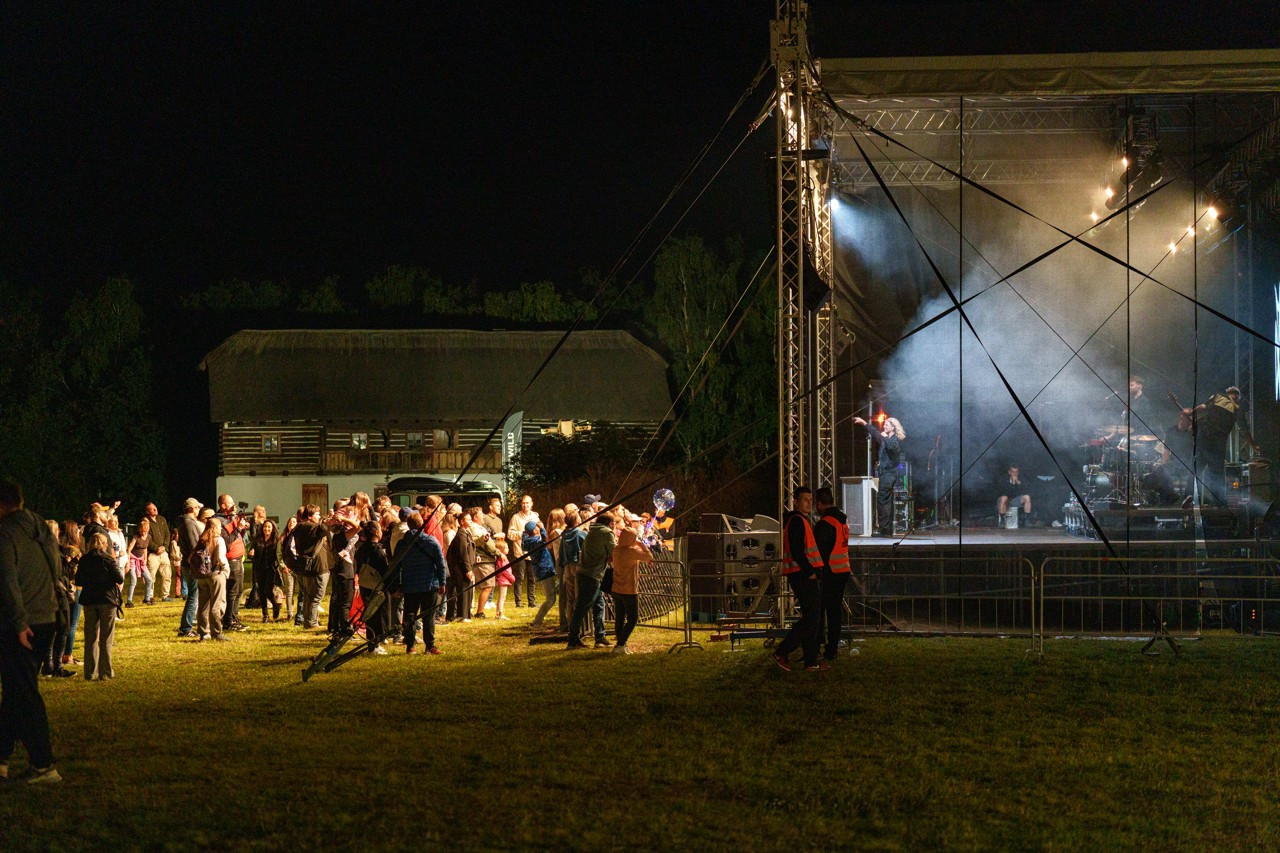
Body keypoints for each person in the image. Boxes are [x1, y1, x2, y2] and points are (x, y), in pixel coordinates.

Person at [0, 478, 64, 783]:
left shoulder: (5, 533)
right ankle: (1, 757)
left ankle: (43, 764)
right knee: (16, 691)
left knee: (24, 694)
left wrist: (19, 623)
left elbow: (7, 581)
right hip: (47, 617)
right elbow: (56, 568)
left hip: (22, 624)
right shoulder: (39, 526)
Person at [773, 487, 823, 673]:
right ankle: (782, 651)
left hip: (801, 574)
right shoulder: (797, 521)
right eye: (805, 499)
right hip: (802, 575)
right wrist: (810, 571)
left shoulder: (798, 520)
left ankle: (810, 661)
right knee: (811, 619)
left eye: (811, 499)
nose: (809, 503)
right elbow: (797, 550)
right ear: (795, 502)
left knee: (811, 618)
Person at [1186, 386, 1263, 506]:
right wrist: (1254, 445)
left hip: (1203, 438)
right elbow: (1244, 431)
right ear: (1237, 397)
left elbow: (1202, 407)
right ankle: (1219, 503)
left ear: (1227, 393)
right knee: (1216, 474)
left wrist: (1191, 413)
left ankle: (1189, 495)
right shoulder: (1237, 409)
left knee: (1195, 469)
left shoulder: (1217, 397)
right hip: (1218, 442)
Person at [395, 513, 446, 655]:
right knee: (428, 616)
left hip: (410, 584)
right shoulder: (431, 541)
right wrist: (442, 582)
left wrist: (398, 585)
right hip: (429, 584)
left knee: (409, 616)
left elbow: (396, 566)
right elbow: (440, 564)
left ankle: (410, 646)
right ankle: (430, 646)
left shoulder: (402, 544)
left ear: (408, 525)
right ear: (421, 524)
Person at [77, 532, 124, 679]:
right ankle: (105, 672)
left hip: (90, 600)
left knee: (90, 637)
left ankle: (90, 672)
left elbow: (78, 580)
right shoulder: (108, 559)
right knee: (106, 637)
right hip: (107, 600)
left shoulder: (84, 560)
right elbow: (120, 578)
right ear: (103, 544)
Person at [812, 486, 850, 663]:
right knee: (835, 613)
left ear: (819, 504)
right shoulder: (841, 520)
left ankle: (819, 646)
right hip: (842, 570)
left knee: (820, 610)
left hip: (829, 573)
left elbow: (818, 552)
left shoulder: (825, 523)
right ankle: (832, 648)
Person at [567, 510, 615, 650]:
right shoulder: (607, 533)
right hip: (592, 574)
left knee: (599, 605)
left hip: (585, 572)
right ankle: (573, 640)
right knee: (582, 607)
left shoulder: (592, 532)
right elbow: (613, 552)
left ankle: (600, 637)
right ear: (610, 523)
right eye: (614, 522)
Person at [853, 415, 906, 536]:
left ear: (893, 427)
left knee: (883, 500)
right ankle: (886, 529)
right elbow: (875, 432)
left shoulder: (895, 439)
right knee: (884, 500)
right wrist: (863, 422)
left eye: (887, 425)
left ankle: (885, 530)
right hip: (885, 473)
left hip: (889, 473)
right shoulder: (885, 438)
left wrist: (885, 437)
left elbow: (891, 447)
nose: (884, 426)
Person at [282, 505, 333, 630]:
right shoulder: (309, 527)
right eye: (317, 514)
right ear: (309, 516)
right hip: (318, 566)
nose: (319, 517)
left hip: (307, 566)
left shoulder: (299, 527)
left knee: (309, 596)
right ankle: (311, 622)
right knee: (316, 596)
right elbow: (324, 529)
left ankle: (308, 621)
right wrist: (329, 519)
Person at [609, 518, 653, 654]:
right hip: (629, 589)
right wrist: (640, 543)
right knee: (633, 618)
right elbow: (649, 556)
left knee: (620, 618)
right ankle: (620, 644)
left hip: (616, 588)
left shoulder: (616, 550)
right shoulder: (631, 551)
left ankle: (620, 644)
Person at [355, 521, 393, 654]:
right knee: (379, 615)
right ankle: (375, 644)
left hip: (364, 585)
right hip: (377, 587)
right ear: (377, 533)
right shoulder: (377, 551)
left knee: (370, 614)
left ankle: (372, 642)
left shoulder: (361, 549)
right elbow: (384, 570)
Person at [215, 494, 247, 633]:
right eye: (231, 502)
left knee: (238, 591)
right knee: (232, 592)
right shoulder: (220, 521)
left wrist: (241, 528)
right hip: (231, 560)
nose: (234, 505)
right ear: (223, 506)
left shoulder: (230, 519)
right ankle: (228, 621)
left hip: (238, 559)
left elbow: (236, 537)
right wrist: (238, 528)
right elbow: (226, 543)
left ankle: (234, 618)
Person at [194, 518, 230, 642]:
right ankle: (217, 632)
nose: (221, 529)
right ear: (214, 528)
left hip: (202, 576)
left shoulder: (202, 540)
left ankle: (203, 633)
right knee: (217, 605)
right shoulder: (218, 540)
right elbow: (221, 557)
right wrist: (226, 570)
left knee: (203, 605)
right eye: (220, 527)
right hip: (216, 574)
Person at [174, 498, 204, 638]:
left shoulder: (183, 522)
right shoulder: (189, 523)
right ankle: (186, 627)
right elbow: (194, 545)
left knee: (193, 595)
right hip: (192, 564)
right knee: (193, 596)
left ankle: (186, 626)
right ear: (192, 509)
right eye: (197, 508)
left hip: (188, 563)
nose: (199, 510)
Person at [557, 506, 586, 632]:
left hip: (567, 566)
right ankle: (580, 624)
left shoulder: (564, 536)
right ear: (577, 521)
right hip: (577, 565)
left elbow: (561, 553)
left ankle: (570, 623)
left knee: (570, 597)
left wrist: (562, 565)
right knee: (579, 596)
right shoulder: (581, 534)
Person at [507, 494, 538, 608]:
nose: (525, 505)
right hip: (520, 552)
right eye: (523, 503)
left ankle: (532, 601)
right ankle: (518, 602)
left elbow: (539, 533)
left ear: (531, 504)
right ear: (521, 504)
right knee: (519, 578)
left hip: (532, 552)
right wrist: (522, 534)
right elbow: (510, 534)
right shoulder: (516, 517)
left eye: (527, 503)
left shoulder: (535, 517)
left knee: (532, 578)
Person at [526, 519, 558, 630]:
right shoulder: (534, 542)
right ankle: (537, 621)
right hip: (544, 570)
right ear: (535, 530)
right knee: (551, 599)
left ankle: (538, 620)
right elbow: (545, 541)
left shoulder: (528, 541)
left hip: (543, 569)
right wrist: (543, 528)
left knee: (553, 593)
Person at [444, 509, 475, 623]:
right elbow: (463, 553)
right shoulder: (461, 535)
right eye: (468, 519)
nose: (471, 521)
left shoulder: (466, 533)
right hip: (460, 568)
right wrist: (468, 569)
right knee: (463, 589)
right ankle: (462, 615)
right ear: (462, 522)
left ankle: (466, 614)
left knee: (467, 588)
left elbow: (469, 549)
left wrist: (475, 556)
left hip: (465, 566)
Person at [469, 507, 499, 618]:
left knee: (488, 586)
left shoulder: (480, 527)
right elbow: (486, 544)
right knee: (487, 586)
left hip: (486, 559)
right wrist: (498, 552)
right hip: (483, 559)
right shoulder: (474, 528)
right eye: (481, 514)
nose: (483, 516)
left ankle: (478, 611)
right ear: (475, 517)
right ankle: (479, 612)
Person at [143, 503, 174, 602]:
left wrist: (165, 546)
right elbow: (146, 538)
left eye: (155, 508)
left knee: (167, 574)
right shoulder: (145, 521)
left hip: (163, 553)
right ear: (147, 511)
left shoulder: (162, 519)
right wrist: (156, 549)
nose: (154, 509)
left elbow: (167, 534)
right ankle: (149, 596)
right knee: (151, 576)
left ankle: (165, 595)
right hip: (152, 554)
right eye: (151, 509)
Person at [253, 520, 283, 622]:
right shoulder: (258, 539)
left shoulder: (276, 540)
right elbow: (253, 552)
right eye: (265, 527)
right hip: (259, 568)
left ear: (273, 528)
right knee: (261, 591)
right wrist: (252, 553)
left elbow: (279, 554)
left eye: (269, 527)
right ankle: (265, 615)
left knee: (268, 590)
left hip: (271, 568)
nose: (266, 529)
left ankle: (275, 605)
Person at [125, 518, 155, 607]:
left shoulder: (148, 537)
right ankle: (129, 601)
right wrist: (128, 562)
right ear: (139, 530)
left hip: (141, 559)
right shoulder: (136, 537)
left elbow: (145, 548)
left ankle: (147, 598)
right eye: (142, 531)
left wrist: (145, 559)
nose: (143, 533)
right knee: (133, 580)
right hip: (133, 559)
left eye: (145, 531)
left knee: (149, 580)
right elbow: (129, 549)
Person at [492, 536, 514, 620]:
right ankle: (500, 613)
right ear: (501, 550)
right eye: (506, 548)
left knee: (500, 597)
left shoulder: (503, 558)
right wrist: (512, 578)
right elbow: (505, 571)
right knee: (502, 597)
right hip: (503, 580)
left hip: (504, 580)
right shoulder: (502, 559)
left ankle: (498, 613)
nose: (508, 549)